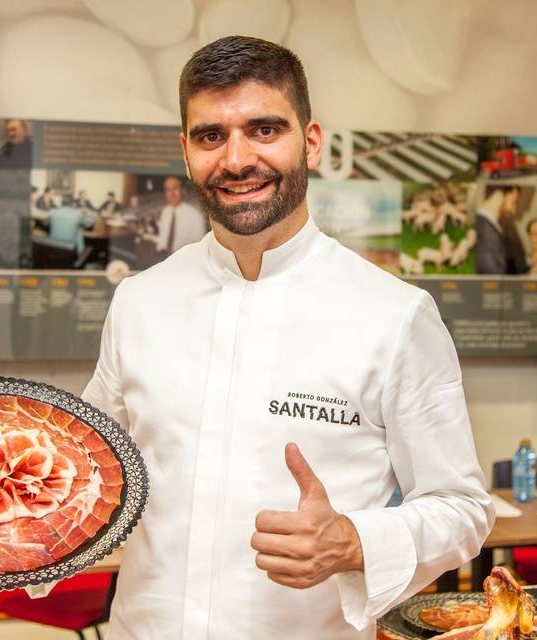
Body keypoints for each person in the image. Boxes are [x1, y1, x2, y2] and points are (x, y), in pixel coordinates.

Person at [81, 36, 493, 640]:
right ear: (187, 151)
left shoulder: (394, 314)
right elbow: (86, 476)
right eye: (211, 136)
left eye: (265, 129)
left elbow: (463, 508)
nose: (237, 159)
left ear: (312, 141)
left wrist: (354, 541)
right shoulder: (139, 302)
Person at [474, 184, 527, 274]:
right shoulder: (488, 234)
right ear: (499, 194)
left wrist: (527, 262)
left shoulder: (488, 225)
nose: (513, 210)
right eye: (514, 202)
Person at [154, 175, 208, 254]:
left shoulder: (195, 216)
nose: (171, 193)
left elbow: (199, 249)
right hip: (164, 259)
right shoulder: (165, 212)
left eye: (175, 188)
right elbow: (163, 239)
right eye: (168, 190)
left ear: (183, 190)